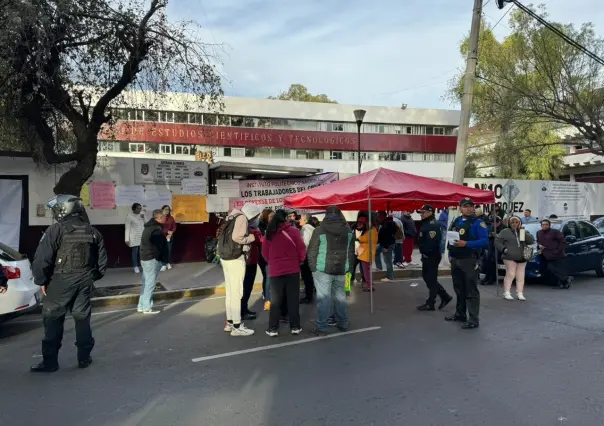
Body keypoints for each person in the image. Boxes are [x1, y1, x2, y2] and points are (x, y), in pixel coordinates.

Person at [31, 195, 107, 372]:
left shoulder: (55, 230)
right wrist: (90, 277)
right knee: (82, 318)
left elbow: (41, 260)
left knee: (52, 318)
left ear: (64, 209)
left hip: (60, 281)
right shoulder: (93, 231)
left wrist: (41, 280)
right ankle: (84, 358)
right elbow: (102, 263)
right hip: (85, 279)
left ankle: (50, 362)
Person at [307, 206, 355, 336]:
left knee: (323, 299)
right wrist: (349, 271)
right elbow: (351, 253)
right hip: (343, 270)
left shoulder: (319, 230)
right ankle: (343, 323)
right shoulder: (348, 230)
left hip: (322, 270)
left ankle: (322, 327)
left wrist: (313, 268)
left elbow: (311, 251)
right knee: (341, 298)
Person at [217, 203, 260, 336]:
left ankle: (230, 323)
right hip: (236, 258)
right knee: (237, 292)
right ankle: (237, 325)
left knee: (230, 292)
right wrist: (251, 238)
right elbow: (237, 237)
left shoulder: (232, 216)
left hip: (226, 257)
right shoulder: (242, 218)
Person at [446, 198, 489, 330]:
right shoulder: (457, 221)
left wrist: (467, 244)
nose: (469, 209)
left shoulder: (478, 223)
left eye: (471, 206)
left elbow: (485, 241)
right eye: (466, 206)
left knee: (471, 290)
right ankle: (460, 314)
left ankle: (473, 319)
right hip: (456, 259)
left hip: (469, 260)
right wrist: (450, 255)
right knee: (459, 288)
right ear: (460, 208)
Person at [263, 209, 306, 337]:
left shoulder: (269, 234)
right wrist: (300, 260)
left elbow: (265, 253)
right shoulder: (294, 231)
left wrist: (272, 262)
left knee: (275, 301)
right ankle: (295, 327)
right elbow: (301, 248)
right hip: (292, 269)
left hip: (276, 271)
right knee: (293, 299)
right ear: (286, 218)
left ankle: (273, 328)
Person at [416, 205, 452, 311]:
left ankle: (431, 302)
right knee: (428, 278)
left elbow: (431, 243)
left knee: (431, 279)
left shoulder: (432, 225)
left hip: (431, 256)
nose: (421, 215)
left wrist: (426, 253)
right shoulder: (427, 223)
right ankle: (445, 296)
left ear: (429, 212)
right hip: (427, 255)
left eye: (423, 212)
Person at [495, 216, 535, 301]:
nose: (514, 224)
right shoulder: (504, 232)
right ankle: (507, 292)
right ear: (509, 223)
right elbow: (497, 242)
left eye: (516, 222)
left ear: (519, 223)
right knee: (510, 274)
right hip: (509, 256)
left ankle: (519, 293)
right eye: (512, 222)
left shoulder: (523, 231)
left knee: (520, 276)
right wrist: (504, 249)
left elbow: (531, 241)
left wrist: (523, 232)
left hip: (522, 256)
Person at [138, 209, 169, 314]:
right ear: (159, 218)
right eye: (164, 217)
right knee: (150, 283)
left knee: (145, 282)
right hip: (151, 259)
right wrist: (161, 259)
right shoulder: (156, 230)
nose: (166, 218)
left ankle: (141, 305)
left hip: (145, 257)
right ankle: (146, 307)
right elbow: (159, 247)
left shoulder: (148, 227)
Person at [537, 219, 571, 289]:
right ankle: (564, 282)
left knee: (553, 268)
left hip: (557, 254)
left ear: (549, 225)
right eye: (543, 225)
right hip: (545, 255)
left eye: (546, 224)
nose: (544, 226)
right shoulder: (539, 233)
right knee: (551, 269)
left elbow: (563, 242)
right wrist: (539, 246)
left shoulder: (555, 232)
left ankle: (566, 279)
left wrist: (557, 251)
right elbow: (538, 242)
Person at [241, 214, 262, 321]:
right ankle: (242, 311)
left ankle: (244, 309)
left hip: (246, 262)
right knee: (247, 288)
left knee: (245, 288)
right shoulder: (253, 232)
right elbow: (260, 241)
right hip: (250, 262)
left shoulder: (245, 229)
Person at [258, 208, 274, 311]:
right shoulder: (260, 226)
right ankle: (268, 299)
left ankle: (266, 294)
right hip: (263, 254)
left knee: (267, 276)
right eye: (270, 217)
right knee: (267, 276)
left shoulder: (271, 226)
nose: (272, 218)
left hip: (269, 254)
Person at [357, 217, 378, 291]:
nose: (361, 224)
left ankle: (371, 286)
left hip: (366, 254)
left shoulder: (371, 231)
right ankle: (370, 285)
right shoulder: (372, 230)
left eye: (362, 223)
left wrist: (358, 237)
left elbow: (363, 239)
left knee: (366, 273)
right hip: (367, 254)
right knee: (367, 272)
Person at [481, 216, 503, 286]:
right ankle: (487, 277)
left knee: (493, 262)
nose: (493, 224)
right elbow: (488, 235)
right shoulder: (492, 227)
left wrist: (496, 235)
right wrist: (490, 234)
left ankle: (492, 278)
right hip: (491, 246)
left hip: (498, 248)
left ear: (499, 222)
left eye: (494, 223)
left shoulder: (503, 228)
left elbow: (503, 238)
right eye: (492, 223)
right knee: (488, 261)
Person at [299, 213, 316, 304]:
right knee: (309, 276)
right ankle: (309, 294)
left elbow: (304, 244)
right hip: (312, 255)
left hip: (306, 256)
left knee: (307, 276)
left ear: (305, 220)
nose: (299, 220)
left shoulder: (305, 229)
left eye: (301, 218)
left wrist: (302, 257)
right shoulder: (312, 228)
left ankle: (308, 296)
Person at [375, 211, 396, 282]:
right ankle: (379, 267)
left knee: (388, 260)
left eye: (379, 215)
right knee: (376, 252)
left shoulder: (387, 224)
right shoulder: (384, 223)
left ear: (382, 216)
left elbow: (388, 236)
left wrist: (386, 247)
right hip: (383, 244)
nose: (377, 217)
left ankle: (390, 277)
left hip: (387, 245)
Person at [125, 203, 145, 274]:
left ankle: (143, 266)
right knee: (135, 253)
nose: (139, 210)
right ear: (134, 209)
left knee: (142, 252)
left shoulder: (142, 215)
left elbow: (147, 223)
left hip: (142, 236)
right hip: (134, 237)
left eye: (140, 208)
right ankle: (135, 266)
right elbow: (127, 228)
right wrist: (127, 239)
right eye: (138, 208)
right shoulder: (129, 216)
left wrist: (144, 217)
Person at [160, 205, 176, 272]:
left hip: (169, 237)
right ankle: (163, 264)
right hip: (162, 236)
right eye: (166, 209)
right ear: (162, 210)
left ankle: (168, 263)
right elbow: (159, 227)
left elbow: (174, 227)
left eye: (168, 209)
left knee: (168, 250)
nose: (167, 211)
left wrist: (171, 233)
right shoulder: (160, 218)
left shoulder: (171, 218)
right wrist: (167, 231)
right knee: (163, 251)